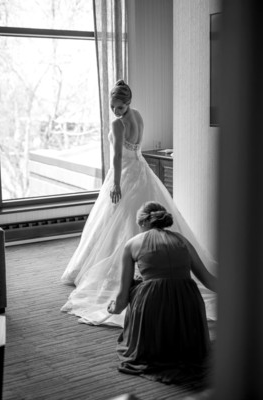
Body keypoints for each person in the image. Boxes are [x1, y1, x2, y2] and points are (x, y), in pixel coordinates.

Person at [60, 80, 217, 327]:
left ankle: (122, 270)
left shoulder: (117, 124)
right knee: (123, 220)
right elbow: (136, 147)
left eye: (119, 107)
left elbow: (117, 155)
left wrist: (116, 184)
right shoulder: (138, 116)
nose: (115, 111)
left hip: (125, 173)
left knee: (118, 219)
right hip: (142, 170)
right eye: (112, 106)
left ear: (128, 103)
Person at [108, 202, 216, 383]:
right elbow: (209, 280)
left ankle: (153, 342)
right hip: (188, 305)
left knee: (139, 287)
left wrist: (114, 307)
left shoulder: (132, 244)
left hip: (153, 307)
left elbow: (121, 299)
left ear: (142, 223)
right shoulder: (182, 240)